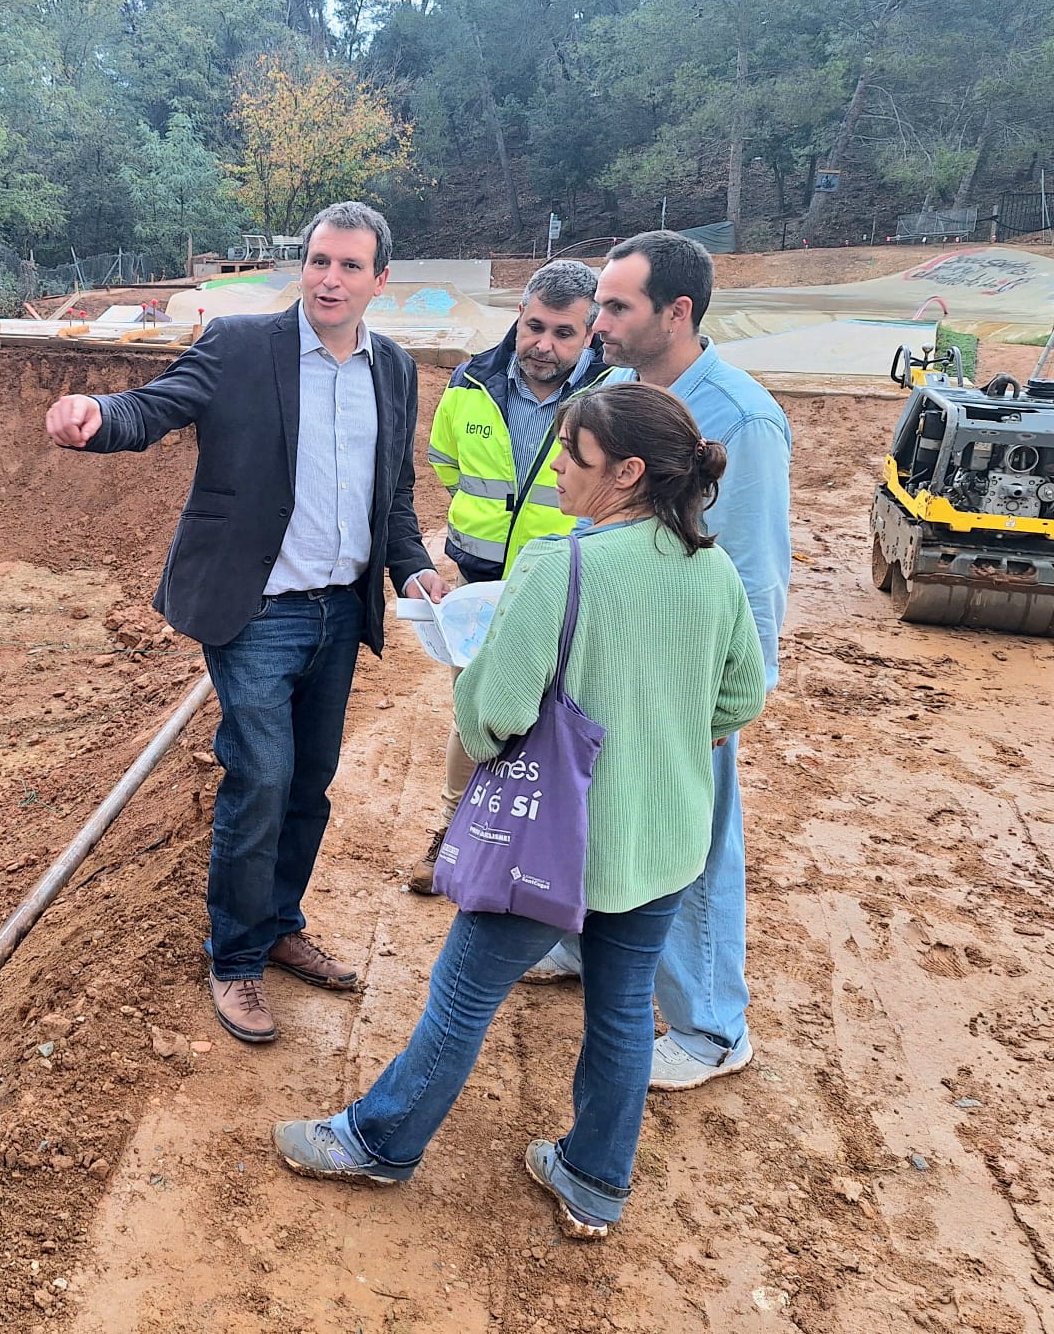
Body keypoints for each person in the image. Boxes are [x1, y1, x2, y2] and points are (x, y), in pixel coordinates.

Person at [271, 383, 766, 1238]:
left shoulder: (558, 567)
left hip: (555, 846)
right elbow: (739, 700)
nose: (560, 473)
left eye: (575, 457)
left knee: (462, 995)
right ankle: (595, 1182)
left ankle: (378, 1142)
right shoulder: (713, 570)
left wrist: (467, 670)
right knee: (621, 1009)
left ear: (628, 473)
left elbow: (495, 716)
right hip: (662, 842)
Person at [44, 201, 446, 1045]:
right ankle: (235, 961)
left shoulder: (395, 370)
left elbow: (394, 495)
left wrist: (410, 565)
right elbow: (154, 407)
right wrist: (96, 418)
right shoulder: (239, 346)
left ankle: (280, 926)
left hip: (341, 610)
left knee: (309, 783)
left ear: (380, 281)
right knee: (261, 776)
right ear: (303, 266)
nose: (329, 279)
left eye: (348, 266)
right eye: (318, 261)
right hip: (257, 610)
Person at [523, 229, 791, 1093]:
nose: (595, 320)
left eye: (615, 306)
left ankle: (712, 1028)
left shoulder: (740, 421)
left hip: (683, 680)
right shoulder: (618, 391)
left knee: (696, 844)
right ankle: (577, 941)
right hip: (609, 656)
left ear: (676, 314)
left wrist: (725, 710)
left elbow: (752, 576)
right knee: (592, 808)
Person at [409, 260, 610, 894]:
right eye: (534, 327)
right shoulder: (471, 381)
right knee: (477, 709)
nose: (543, 345)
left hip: (571, 580)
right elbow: (445, 463)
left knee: (560, 717)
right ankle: (455, 833)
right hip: (479, 576)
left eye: (563, 333)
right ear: (518, 318)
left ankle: (549, 854)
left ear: (590, 333)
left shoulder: (608, 396)